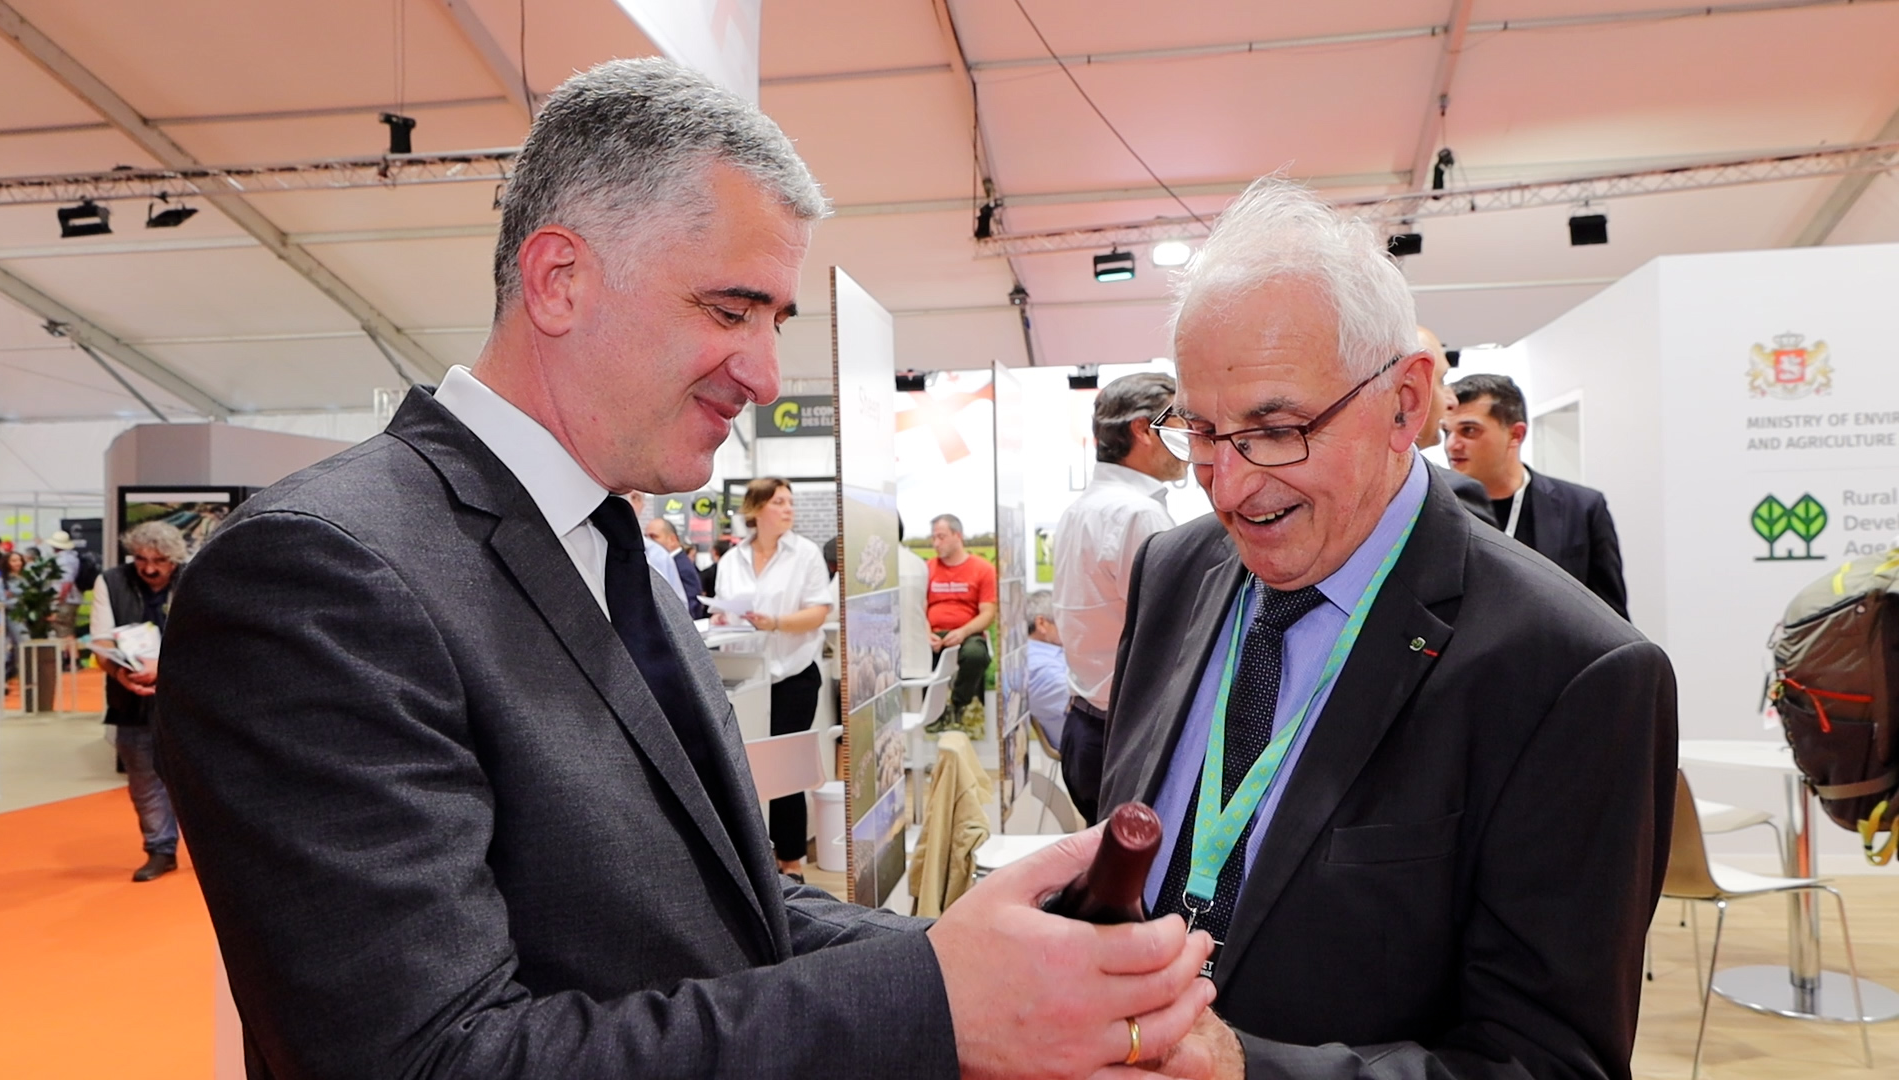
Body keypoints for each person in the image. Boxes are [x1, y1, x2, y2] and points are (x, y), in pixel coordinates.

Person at [153, 59, 1211, 1079]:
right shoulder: (320, 576)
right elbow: (431, 1058)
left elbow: (724, 908)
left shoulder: (618, 556)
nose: (766, 374)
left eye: (774, 321)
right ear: (559, 280)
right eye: (728, 309)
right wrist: (937, 1004)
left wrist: (976, 964)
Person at [1108, 177, 1675, 1080]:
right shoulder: (1174, 572)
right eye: (1203, 432)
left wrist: (1248, 1069)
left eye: (1276, 429)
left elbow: (1548, 1062)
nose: (1229, 487)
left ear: (1407, 404)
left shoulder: (1569, 673)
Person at [1052, 373, 1184, 823]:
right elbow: (1174, 636)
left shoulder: (1081, 510)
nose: (1190, 438)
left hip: (1087, 723)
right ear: (1143, 430)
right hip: (1127, 732)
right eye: (1180, 424)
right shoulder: (1138, 514)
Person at [713, 478, 834, 879]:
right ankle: (752, 864)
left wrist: (776, 622)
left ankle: (791, 861)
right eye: (779, 502)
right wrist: (723, 617)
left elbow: (818, 613)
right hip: (746, 680)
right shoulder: (733, 559)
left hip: (793, 674)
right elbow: (723, 610)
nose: (788, 509)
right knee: (742, 767)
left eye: (790, 502)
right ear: (756, 508)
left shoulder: (805, 554)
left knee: (785, 770)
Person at [1445, 372, 1630, 619]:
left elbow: (1613, 619)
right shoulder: (1441, 509)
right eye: (1447, 432)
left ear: (1515, 434)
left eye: (1468, 430)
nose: (1452, 445)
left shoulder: (1582, 509)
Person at [92, 521, 187, 882]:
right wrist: (121, 675)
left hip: (188, 701)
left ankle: (217, 854)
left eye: (159, 561)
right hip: (130, 698)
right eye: (141, 559)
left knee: (204, 780)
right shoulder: (111, 581)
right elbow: (101, 642)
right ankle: (160, 849)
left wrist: (165, 670)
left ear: (175, 559)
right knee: (144, 781)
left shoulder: (193, 579)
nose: (149, 568)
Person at [1414, 327, 1497, 528]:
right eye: (1442, 381)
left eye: (1469, 430)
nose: (1452, 401)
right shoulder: (1450, 494)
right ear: (1408, 392)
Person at [925, 513, 996, 735]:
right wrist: (926, 633)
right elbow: (918, 609)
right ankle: (932, 713)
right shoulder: (927, 569)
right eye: (933, 538)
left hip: (968, 633)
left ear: (958, 536)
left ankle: (959, 703)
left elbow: (988, 613)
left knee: (975, 655)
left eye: (941, 537)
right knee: (920, 656)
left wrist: (963, 632)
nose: (936, 543)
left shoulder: (983, 569)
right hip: (933, 633)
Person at [1023, 589, 1069, 753]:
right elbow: (1090, 703)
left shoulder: (1048, 655)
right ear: (1042, 624)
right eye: (1064, 620)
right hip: (1085, 745)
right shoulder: (1039, 667)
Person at [644, 516, 705, 618]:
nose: (649, 542)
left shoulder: (681, 565)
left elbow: (691, 601)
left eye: (654, 537)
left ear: (672, 539)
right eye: (646, 537)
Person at [898, 517, 931, 683]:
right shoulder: (918, 563)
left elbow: (830, 610)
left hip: (889, 668)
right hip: (919, 662)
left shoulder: (862, 563)